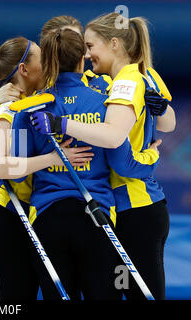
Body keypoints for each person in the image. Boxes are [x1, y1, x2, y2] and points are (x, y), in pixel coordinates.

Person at [32, 13, 175, 300]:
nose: (85, 53)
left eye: (89, 45)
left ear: (113, 44)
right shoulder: (133, 75)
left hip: (134, 203)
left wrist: (149, 156)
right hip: (123, 206)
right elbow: (168, 124)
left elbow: (114, 139)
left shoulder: (124, 83)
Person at [0, 36, 94, 300]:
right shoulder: (8, 107)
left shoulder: (33, 100)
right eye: (43, 59)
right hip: (6, 216)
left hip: (27, 212)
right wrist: (55, 158)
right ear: (24, 70)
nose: (51, 64)